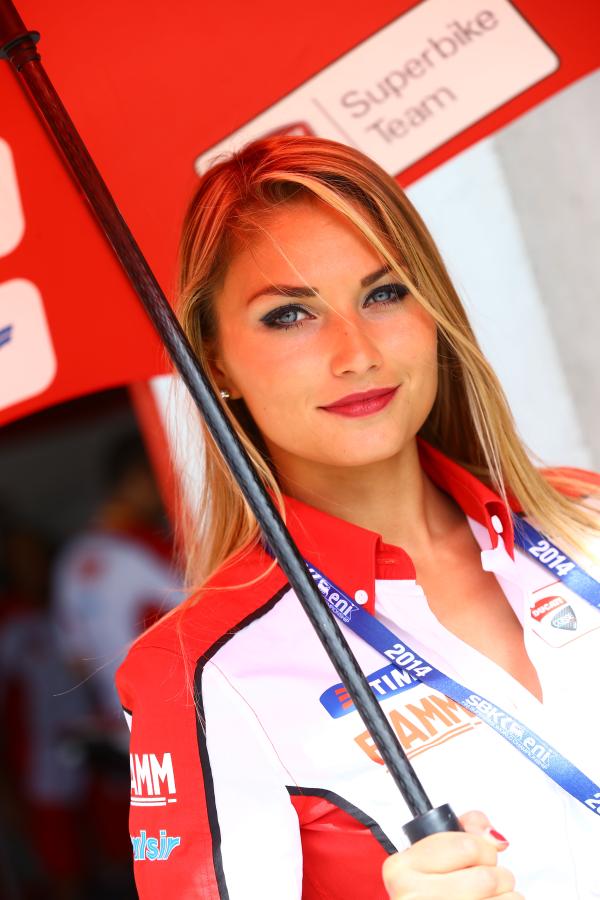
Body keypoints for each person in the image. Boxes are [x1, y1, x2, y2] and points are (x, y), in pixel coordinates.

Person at [115, 135, 600, 899]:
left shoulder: (587, 515)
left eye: (383, 294)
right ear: (214, 364)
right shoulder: (200, 675)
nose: (356, 353)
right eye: (289, 316)